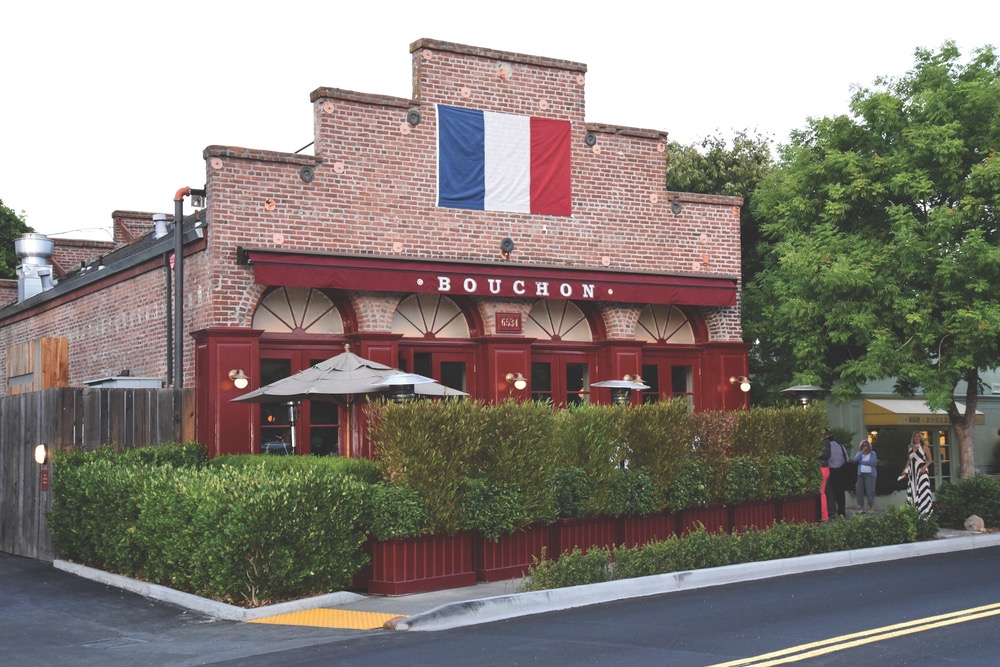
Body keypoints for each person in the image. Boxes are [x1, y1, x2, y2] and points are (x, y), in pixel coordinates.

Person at [899, 430, 934, 516]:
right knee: (913, 490)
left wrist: (924, 467)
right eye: (915, 436)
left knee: (923, 491)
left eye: (919, 436)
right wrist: (905, 470)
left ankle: (925, 513)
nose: (917, 438)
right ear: (913, 438)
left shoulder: (924, 447)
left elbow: (930, 460)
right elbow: (909, 460)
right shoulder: (910, 447)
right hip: (912, 473)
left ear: (921, 437)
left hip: (922, 472)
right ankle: (914, 513)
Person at [820, 434, 849, 519]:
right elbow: (846, 458)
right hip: (841, 470)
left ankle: (831, 511)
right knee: (840, 492)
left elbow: (827, 458)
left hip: (830, 470)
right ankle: (842, 511)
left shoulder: (826, 447)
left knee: (829, 492)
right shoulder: (841, 446)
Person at [854, 440, 877, 514]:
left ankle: (870, 508)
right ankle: (861, 508)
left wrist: (862, 462)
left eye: (866, 445)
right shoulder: (859, 453)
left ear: (869, 446)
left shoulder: (873, 453)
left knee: (870, 491)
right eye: (863, 445)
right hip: (860, 475)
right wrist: (861, 453)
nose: (865, 447)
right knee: (859, 490)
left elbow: (872, 462)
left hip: (870, 475)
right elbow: (855, 460)